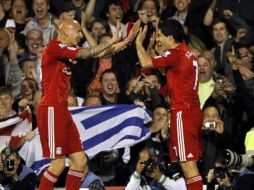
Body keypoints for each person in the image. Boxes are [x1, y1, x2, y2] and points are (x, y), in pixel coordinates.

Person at [37, 18, 120, 190]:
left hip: (63, 109)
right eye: (78, 31)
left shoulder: (65, 50)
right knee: (58, 164)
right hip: (51, 108)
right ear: (66, 31)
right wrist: (111, 41)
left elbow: (97, 53)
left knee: (80, 160)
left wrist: (125, 41)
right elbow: (87, 53)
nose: (80, 34)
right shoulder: (54, 47)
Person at [135, 19, 204, 189]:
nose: (157, 38)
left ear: (170, 37)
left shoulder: (176, 53)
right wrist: (155, 51)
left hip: (183, 112)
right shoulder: (188, 52)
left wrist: (138, 43)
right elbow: (168, 70)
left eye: (160, 35)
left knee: (188, 166)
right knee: (187, 164)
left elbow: (145, 63)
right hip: (192, 110)